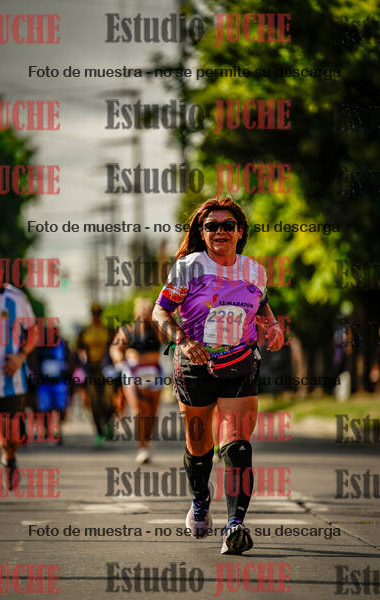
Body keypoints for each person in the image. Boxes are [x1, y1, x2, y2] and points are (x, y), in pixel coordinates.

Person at [152, 196, 284, 555]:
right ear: (202, 232)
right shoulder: (189, 268)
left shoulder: (255, 271)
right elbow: (160, 312)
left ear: (240, 232)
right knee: (200, 446)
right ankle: (199, 500)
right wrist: (183, 340)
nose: (220, 232)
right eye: (211, 226)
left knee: (237, 444)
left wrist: (273, 326)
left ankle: (235, 525)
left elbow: (262, 303)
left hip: (240, 364)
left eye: (228, 225)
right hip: (195, 366)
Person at [0, 249, 38, 504]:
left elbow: (32, 332)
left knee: (10, 439)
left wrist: (20, 357)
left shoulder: (16, 298)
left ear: (0, 275)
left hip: (10, 382)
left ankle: (9, 457)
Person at [110, 298, 163, 464]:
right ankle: (142, 447)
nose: (145, 316)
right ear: (136, 313)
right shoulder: (128, 330)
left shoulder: (157, 330)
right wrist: (119, 358)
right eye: (143, 312)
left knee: (151, 411)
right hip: (133, 372)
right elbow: (115, 348)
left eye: (148, 312)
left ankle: (147, 440)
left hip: (153, 372)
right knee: (139, 409)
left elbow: (168, 341)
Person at [77, 303, 114, 448]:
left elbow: (114, 347)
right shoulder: (85, 332)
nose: (96, 316)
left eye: (98, 314)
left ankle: (108, 423)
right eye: (94, 314)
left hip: (106, 371)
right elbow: (79, 350)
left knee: (108, 401)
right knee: (94, 403)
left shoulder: (108, 331)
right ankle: (99, 432)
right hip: (91, 371)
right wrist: (83, 363)